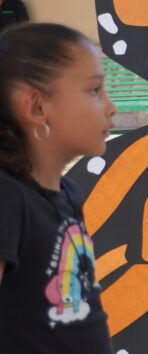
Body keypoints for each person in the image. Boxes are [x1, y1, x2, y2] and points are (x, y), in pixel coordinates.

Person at [0, 23, 116, 353]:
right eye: (94, 90)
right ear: (37, 107)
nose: (111, 107)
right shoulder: (7, 197)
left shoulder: (69, 193)